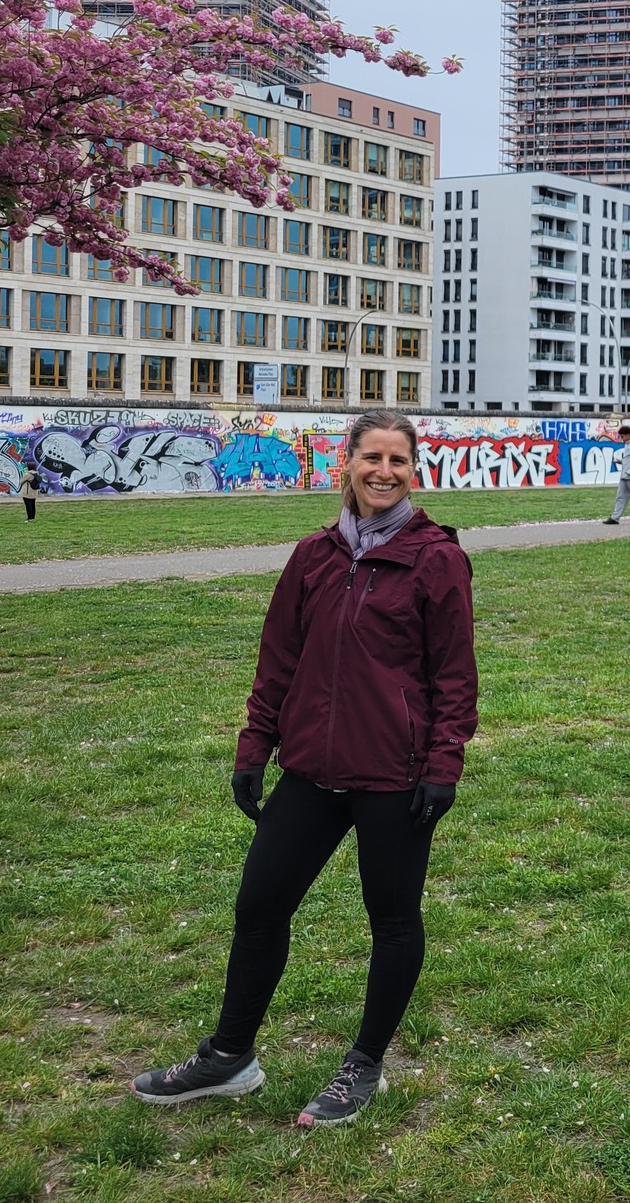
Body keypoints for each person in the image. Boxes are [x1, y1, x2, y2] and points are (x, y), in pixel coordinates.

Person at [131, 410, 478, 1128]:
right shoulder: (313, 556)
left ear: (415, 471)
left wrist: (443, 763)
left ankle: (364, 1065)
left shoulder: (436, 558)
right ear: (345, 464)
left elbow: (454, 676)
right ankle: (230, 1057)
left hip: (395, 777)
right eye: (371, 458)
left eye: (398, 461)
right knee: (259, 907)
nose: (384, 472)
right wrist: (254, 747)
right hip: (311, 772)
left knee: (391, 920)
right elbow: (278, 661)